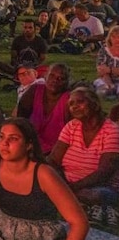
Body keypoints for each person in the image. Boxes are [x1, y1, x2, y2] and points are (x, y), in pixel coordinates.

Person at [47, 86, 119, 226]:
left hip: (98, 186)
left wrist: (70, 188)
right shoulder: (71, 127)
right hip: (67, 183)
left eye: (80, 102)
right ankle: (80, 205)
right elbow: (53, 160)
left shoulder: (112, 131)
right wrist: (62, 183)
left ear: (95, 104)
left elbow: (104, 172)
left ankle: (71, 202)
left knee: (97, 195)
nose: (74, 107)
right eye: (71, 104)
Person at [15, 63, 71, 154]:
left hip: (57, 152)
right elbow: (20, 117)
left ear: (66, 83)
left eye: (61, 78)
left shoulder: (68, 99)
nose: (55, 80)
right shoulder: (35, 90)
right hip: (30, 147)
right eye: (52, 76)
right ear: (45, 76)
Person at [94, 24, 119, 100]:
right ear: (110, 38)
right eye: (113, 37)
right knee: (102, 91)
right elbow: (101, 70)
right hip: (106, 79)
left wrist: (109, 70)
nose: (117, 40)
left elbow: (106, 69)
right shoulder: (104, 50)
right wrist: (110, 85)